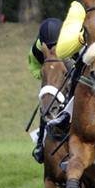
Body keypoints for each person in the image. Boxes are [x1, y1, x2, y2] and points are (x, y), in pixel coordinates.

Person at [28, 18, 63, 163]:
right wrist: (45, 77)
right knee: (46, 102)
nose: (51, 49)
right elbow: (34, 68)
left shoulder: (71, 41)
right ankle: (40, 144)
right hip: (49, 73)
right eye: (48, 47)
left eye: (54, 46)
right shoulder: (36, 50)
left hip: (69, 68)